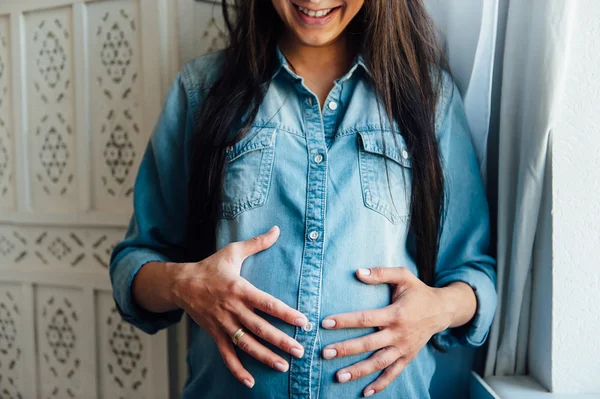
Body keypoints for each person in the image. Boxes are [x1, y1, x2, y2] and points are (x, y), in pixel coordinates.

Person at [110, 0, 498, 397]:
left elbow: (472, 273)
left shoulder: (429, 97)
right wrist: (184, 285)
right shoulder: (200, 90)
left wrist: (434, 311)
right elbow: (134, 264)